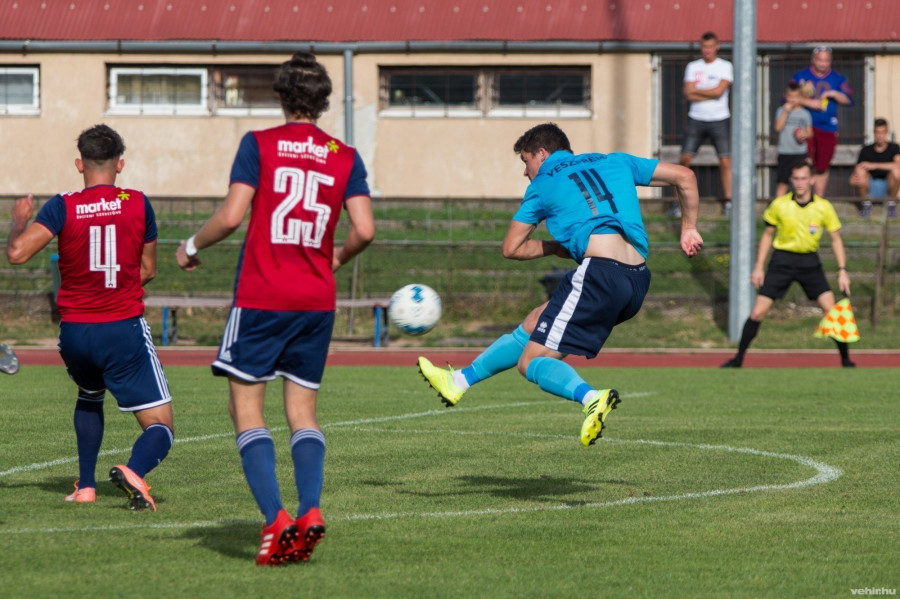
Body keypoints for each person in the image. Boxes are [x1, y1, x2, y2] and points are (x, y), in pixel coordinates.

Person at [175, 52, 374, 566]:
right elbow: (366, 229)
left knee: (246, 410)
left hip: (264, 296)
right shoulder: (345, 155)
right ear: (324, 100)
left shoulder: (259, 145)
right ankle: (310, 510)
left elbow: (232, 215)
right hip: (315, 300)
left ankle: (275, 519)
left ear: (281, 96)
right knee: (303, 411)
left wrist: (192, 246)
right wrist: (338, 256)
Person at [418, 122, 703, 446]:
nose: (526, 172)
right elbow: (685, 177)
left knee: (531, 362)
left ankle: (591, 398)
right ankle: (460, 380)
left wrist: (555, 247)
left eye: (525, 162)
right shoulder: (615, 160)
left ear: (541, 153)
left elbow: (510, 248)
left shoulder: (542, 183)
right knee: (535, 321)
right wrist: (689, 228)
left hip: (599, 274)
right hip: (637, 280)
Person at [6, 124, 174, 510]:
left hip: (76, 333)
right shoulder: (137, 201)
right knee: (161, 426)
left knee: (89, 394)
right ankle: (134, 471)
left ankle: (85, 486)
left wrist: (19, 219)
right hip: (122, 328)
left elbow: (16, 253)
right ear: (121, 164)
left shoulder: (62, 205)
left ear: (80, 164)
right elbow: (148, 269)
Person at [721, 161, 854, 368]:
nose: (800, 183)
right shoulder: (780, 204)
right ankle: (738, 359)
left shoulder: (823, 207)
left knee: (833, 311)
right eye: (796, 179)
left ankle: (846, 361)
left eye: (803, 178)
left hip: (810, 262)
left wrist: (842, 271)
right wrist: (758, 267)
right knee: (757, 312)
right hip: (781, 261)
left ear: (811, 180)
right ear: (791, 180)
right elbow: (767, 235)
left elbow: (836, 239)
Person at [672, 31, 733, 218]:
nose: (707, 50)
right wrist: (709, 91)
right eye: (704, 47)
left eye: (710, 46)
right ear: (701, 47)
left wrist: (698, 90)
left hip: (719, 118)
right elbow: (688, 94)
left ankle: (729, 202)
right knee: (684, 161)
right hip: (696, 118)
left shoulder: (725, 66)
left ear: (717, 47)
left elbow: (719, 91)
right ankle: (677, 203)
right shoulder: (693, 66)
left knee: (725, 161)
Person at [791, 46, 854, 197]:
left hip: (827, 128)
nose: (823, 64)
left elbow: (848, 99)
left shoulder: (838, 78)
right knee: (804, 163)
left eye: (827, 60)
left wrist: (833, 93)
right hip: (804, 127)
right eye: (820, 60)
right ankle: (802, 198)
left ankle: (817, 200)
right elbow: (788, 97)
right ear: (813, 59)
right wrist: (808, 102)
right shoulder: (801, 76)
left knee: (822, 166)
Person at [849, 118, 900, 218]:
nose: (880, 136)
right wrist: (852, 180)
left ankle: (891, 204)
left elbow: (898, 165)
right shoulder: (866, 150)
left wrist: (874, 165)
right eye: (877, 132)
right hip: (870, 186)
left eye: (882, 132)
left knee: (896, 171)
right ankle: (866, 204)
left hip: (888, 186)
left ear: (887, 133)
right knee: (860, 170)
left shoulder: (894, 148)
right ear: (874, 133)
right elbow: (856, 171)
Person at [772, 82, 813, 198]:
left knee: (802, 183)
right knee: (782, 182)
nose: (792, 100)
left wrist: (803, 134)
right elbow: (778, 127)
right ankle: (778, 208)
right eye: (790, 96)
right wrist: (785, 111)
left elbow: (810, 133)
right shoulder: (781, 111)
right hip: (785, 152)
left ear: (800, 97)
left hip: (800, 153)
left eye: (795, 97)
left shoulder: (805, 114)